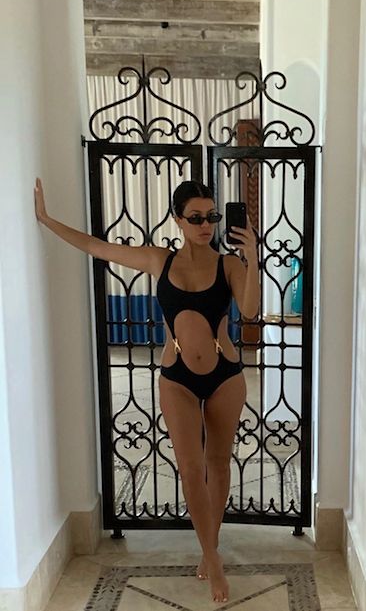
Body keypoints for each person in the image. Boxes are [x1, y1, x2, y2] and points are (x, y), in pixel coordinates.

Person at [34, 177, 260, 603]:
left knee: (218, 463)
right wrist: (47, 220)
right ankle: (213, 560)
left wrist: (253, 258)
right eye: (195, 218)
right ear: (178, 220)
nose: (205, 225)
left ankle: (209, 548)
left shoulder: (229, 264)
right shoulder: (160, 260)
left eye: (211, 217)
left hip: (226, 375)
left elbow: (249, 311)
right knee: (190, 470)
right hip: (177, 378)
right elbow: (98, 247)